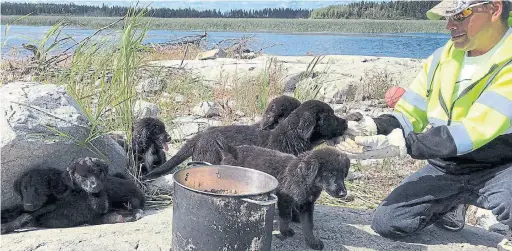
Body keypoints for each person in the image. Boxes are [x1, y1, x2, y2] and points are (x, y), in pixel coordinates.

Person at [334, 0, 512, 249]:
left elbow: (474, 131)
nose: (449, 25)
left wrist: (404, 145)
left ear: (494, 9)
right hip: (447, 166)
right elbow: (409, 114)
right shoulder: (442, 58)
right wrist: (372, 126)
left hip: (501, 166)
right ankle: (453, 202)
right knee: (388, 223)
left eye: (459, 15)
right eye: (447, 18)